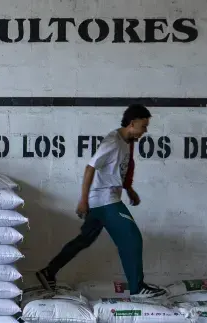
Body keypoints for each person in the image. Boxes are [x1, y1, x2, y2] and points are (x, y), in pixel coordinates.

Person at [35, 104, 165, 297]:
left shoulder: (126, 141)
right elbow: (90, 168)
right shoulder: (112, 142)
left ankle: (49, 272)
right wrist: (83, 200)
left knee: (83, 240)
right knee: (132, 238)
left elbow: (121, 168)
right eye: (143, 126)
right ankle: (138, 288)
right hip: (104, 200)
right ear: (132, 123)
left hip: (104, 200)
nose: (145, 131)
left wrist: (128, 189)